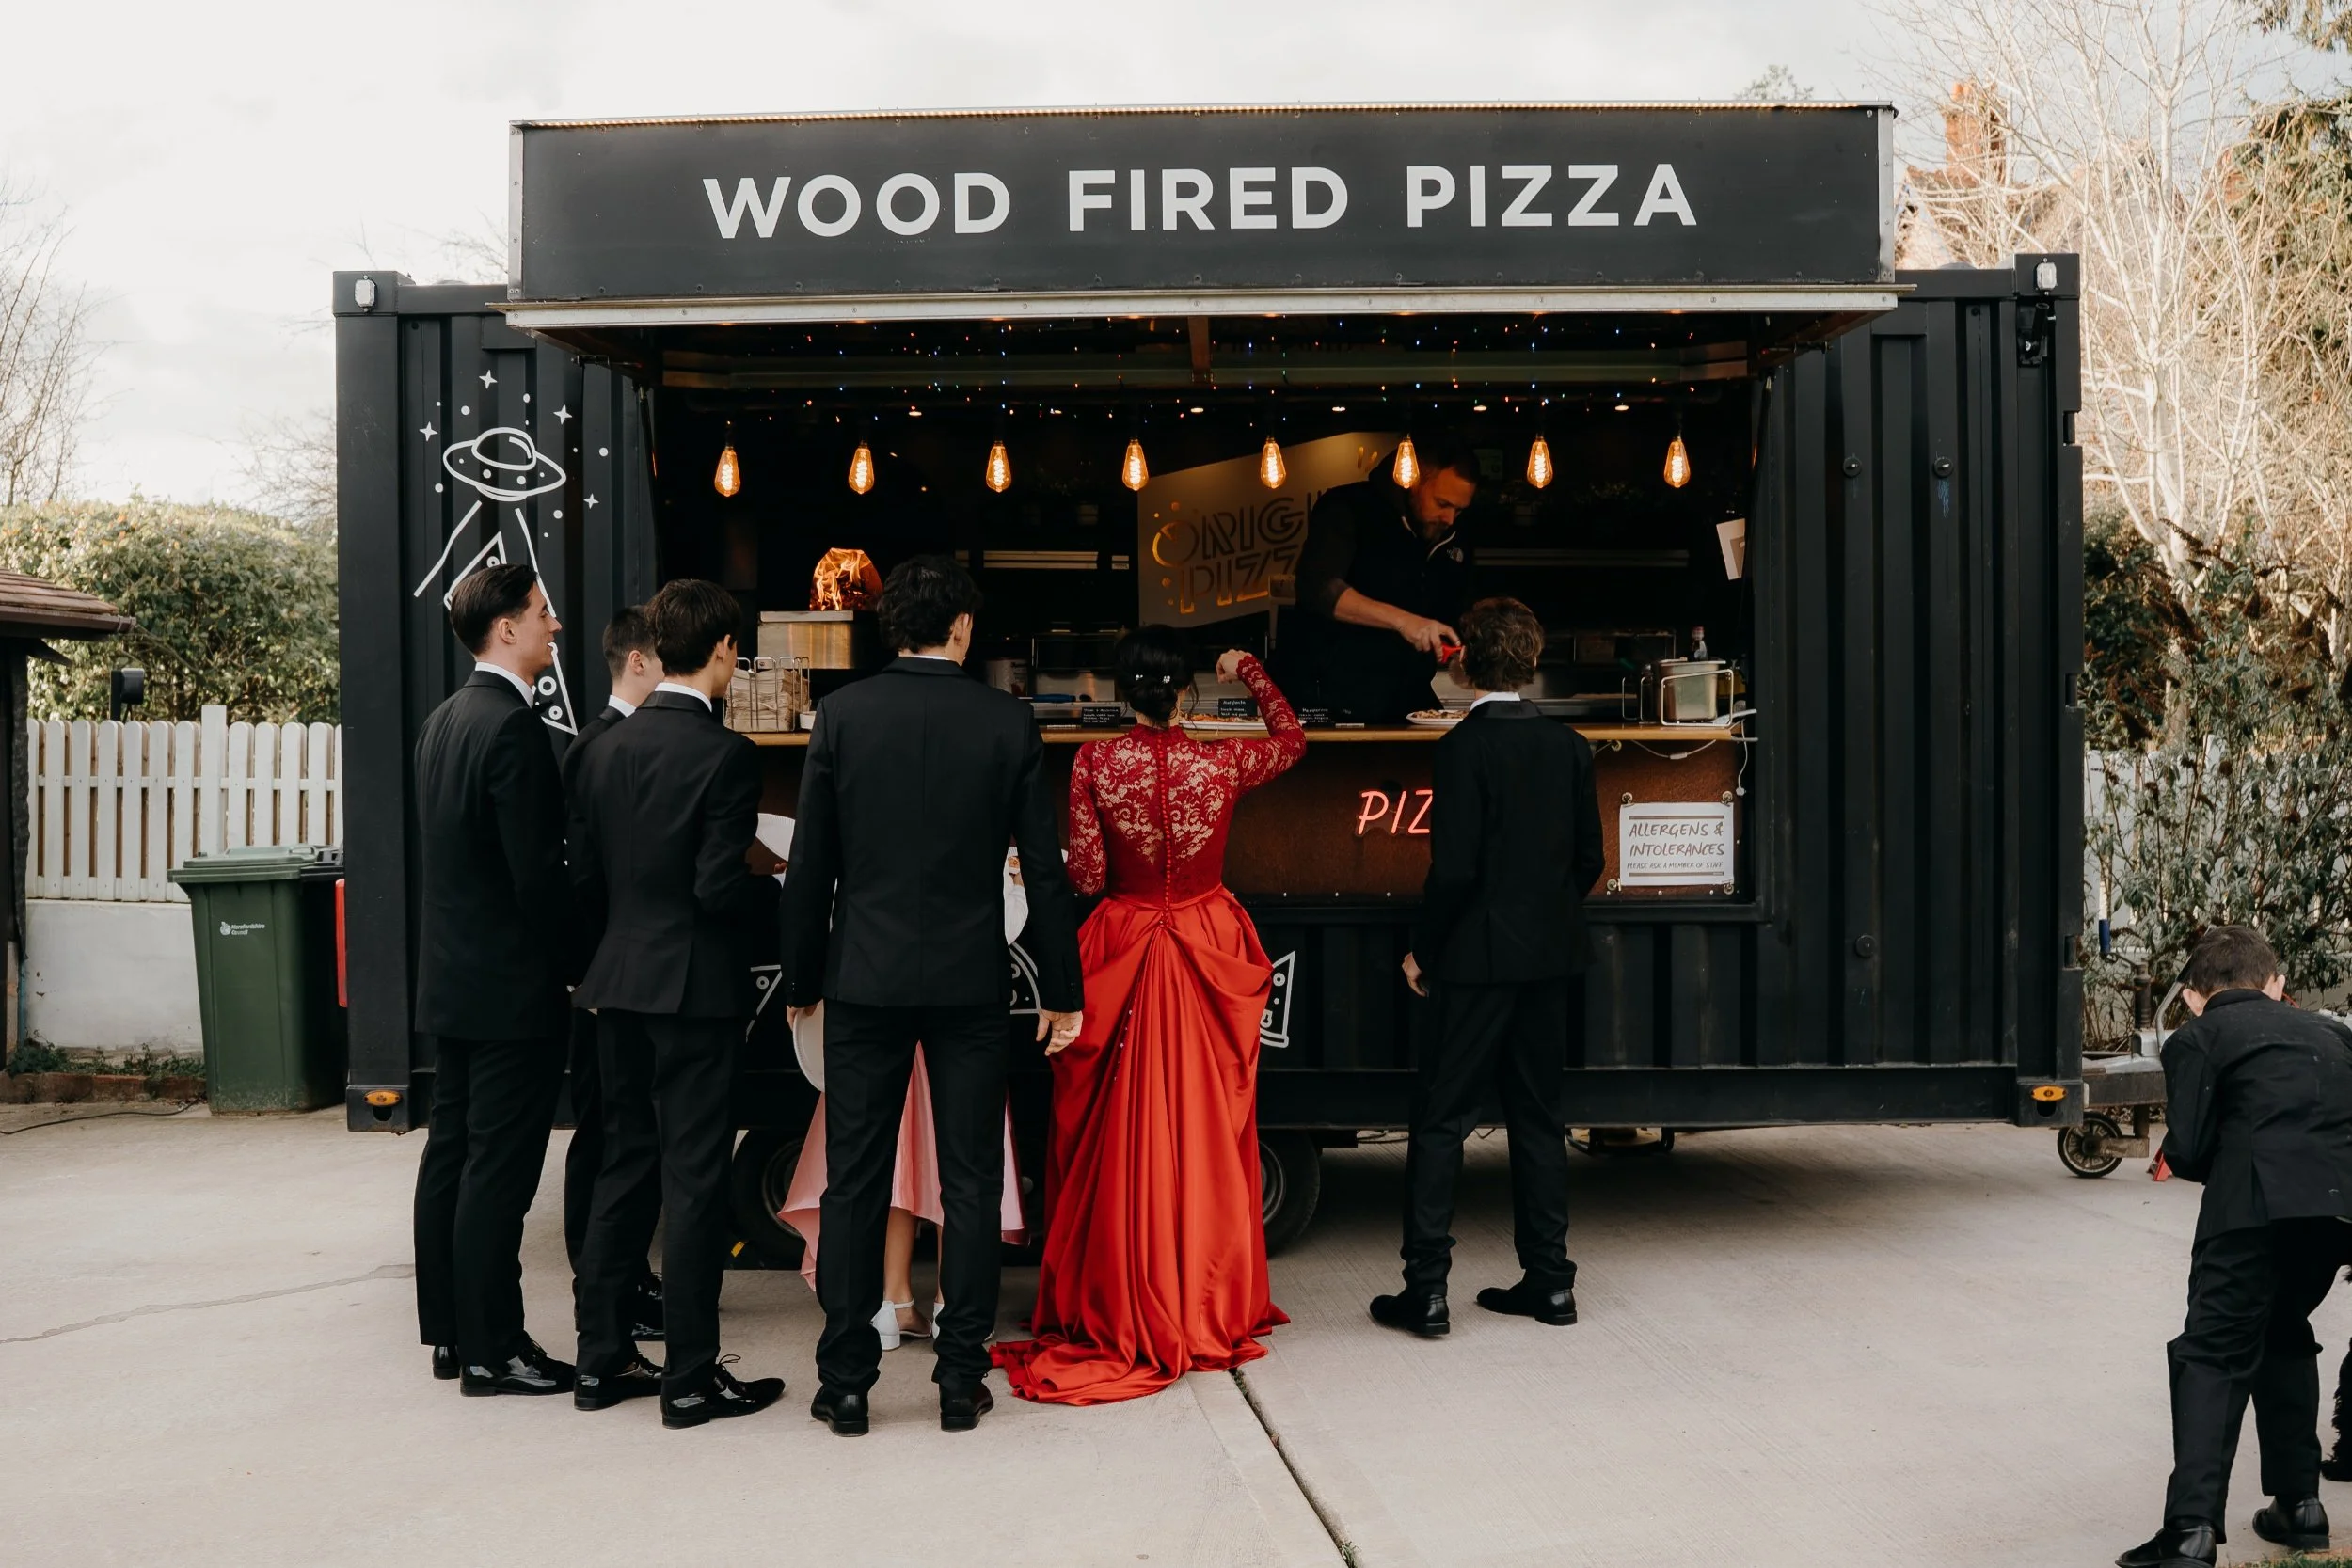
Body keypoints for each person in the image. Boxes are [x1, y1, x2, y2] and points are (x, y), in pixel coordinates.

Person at [783, 554, 1084, 1437]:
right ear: (961, 628)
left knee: (855, 1180)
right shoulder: (1005, 720)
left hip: (864, 976)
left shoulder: (843, 715)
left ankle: (846, 1380)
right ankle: (960, 1377)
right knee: (971, 1179)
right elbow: (1046, 870)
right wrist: (1061, 989)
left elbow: (811, 864)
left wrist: (802, 978)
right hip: (968, 979)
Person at [993, 626, 1306, 1405]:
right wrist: (1250, 668)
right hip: (1204, 940)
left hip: (1126, 942)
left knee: (1115, 1128)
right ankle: (1204, 1291)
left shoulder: (1096, 761)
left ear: (1121, 692)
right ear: (1186, 690)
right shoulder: (1221, 761)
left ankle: (1122, 1284)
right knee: (1204, 1124)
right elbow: (1292, 739)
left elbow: (1089, 875)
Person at [568, 578, 786, 1428]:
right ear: (724, 648)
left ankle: (600, 1360)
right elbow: (714, 888)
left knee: (624, 1167)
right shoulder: (724, 754)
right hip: (694, 989)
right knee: (694, 1181)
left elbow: (587, 880)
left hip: (615, 982)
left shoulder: (601, 747)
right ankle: (690, 1377)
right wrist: (776, 890)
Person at [1372, 597, 1603, 1340]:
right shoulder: (1570, 747)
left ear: (1467, 663)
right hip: (1549, 957)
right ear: (1531, 662)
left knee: (1441, 1117)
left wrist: (1424, 950)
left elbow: (1456, 872)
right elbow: (1590, 860)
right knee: (1539, 1117)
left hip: (1474, 959)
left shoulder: (1461, 748)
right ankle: (1551, 1283)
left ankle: (1426, 1291)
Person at [2119, 925, 2352, 1568]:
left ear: (2195, 996)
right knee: (2283, 1330)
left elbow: (2189, 1149)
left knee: (2212, 1352)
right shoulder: (2333, 1033)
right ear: (2276, 984)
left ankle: (2190, 1530)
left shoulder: (2198, 1036)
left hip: (2251, 1208)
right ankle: (2300, 1505)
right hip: (2337, 1214)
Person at [409, 562, 576, 1396]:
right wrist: (576, 965)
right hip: (510, 989)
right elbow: (535, 877)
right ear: (506, 627)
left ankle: (449, 1332)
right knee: (499, 1170)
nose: (555, 626)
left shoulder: (443, 721)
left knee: (451, 1153)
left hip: (452, 979)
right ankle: (493, 1346)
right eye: (543, 613)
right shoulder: (513, 728)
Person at [778, 834, 1030, 1350]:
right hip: (959, 1017)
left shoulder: (872, 822)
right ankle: (951, 1305)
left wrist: (803, 982)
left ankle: (892, 1303)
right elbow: (1005, 926)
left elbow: (821, 896)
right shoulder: (976, 827)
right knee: (961, 1168)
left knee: (891, 1161)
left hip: (879, 1005)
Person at [559, 607, 663, 1342]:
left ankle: (628, 1275)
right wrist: (585, 973)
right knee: (602, 1133)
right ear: (637, 661)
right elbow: (581, 875)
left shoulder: (617, 742)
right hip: (603, 974)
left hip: (621, 970)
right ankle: (597, 1280)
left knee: (631, 1132)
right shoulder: (595, 746)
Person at [1276, 428, 1478, 724]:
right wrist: (1403, 621)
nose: (1449, 519)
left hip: (1409, 702)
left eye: (1459, 510)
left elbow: (1461, 612)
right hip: (1328, 699)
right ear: (1413, 480)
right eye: (1442, 503)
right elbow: (1319, 588)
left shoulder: (1455, 537)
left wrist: (1465, 654)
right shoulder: (1348, 506)